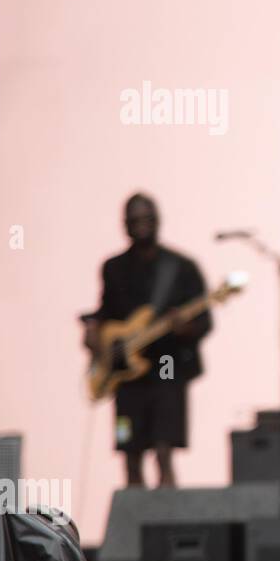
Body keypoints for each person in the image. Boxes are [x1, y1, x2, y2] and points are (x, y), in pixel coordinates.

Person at [82, 193, 212, 488]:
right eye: (134, 220)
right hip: (127, 380)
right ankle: (133, 526)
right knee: (129, 452)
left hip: (168, 372)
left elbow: (204, 322)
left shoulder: (182, 267)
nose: (141, 226)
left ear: (158, 222)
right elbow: (106, 313)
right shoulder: (113, 268)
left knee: (164, 452)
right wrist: (94, 333)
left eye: (147, 219)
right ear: (125, 225)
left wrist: (184, 328)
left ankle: (167, 523)